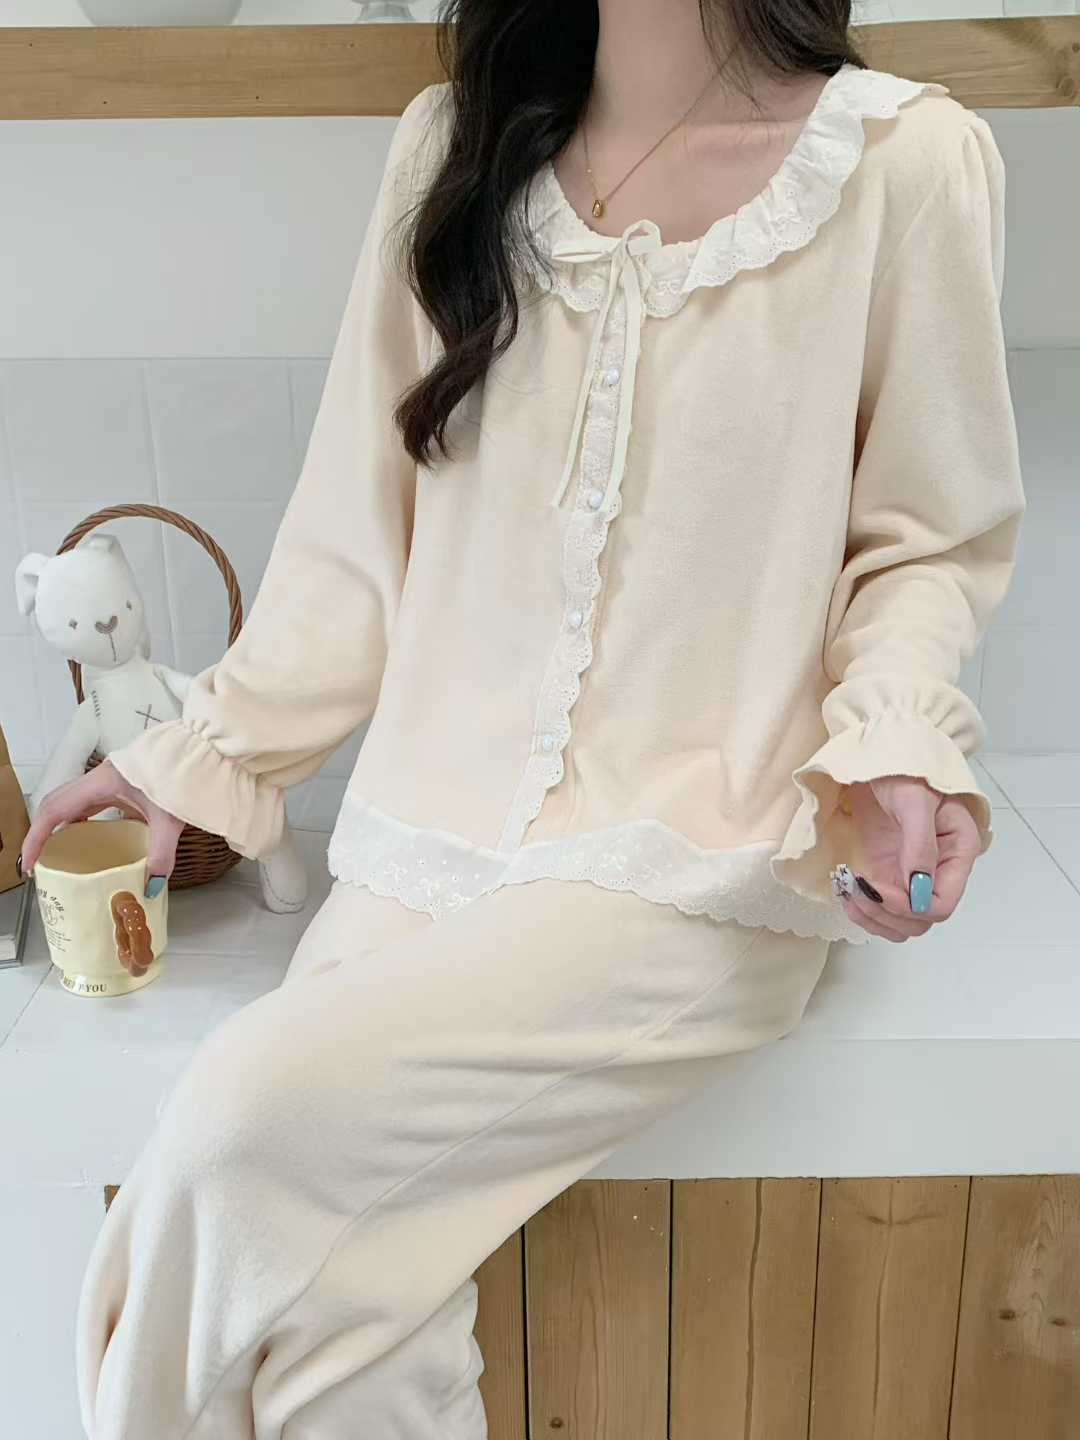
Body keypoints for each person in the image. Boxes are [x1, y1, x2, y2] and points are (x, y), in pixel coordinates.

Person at [20, 1, 1026, 1435]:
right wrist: (199, 757)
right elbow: (353, 536)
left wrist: (898, 747)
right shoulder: (454, 147)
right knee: (345, 1329)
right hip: (422, 838)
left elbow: (925, 543)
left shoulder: (902, 167)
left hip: (696, 863)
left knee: (243, 1112)